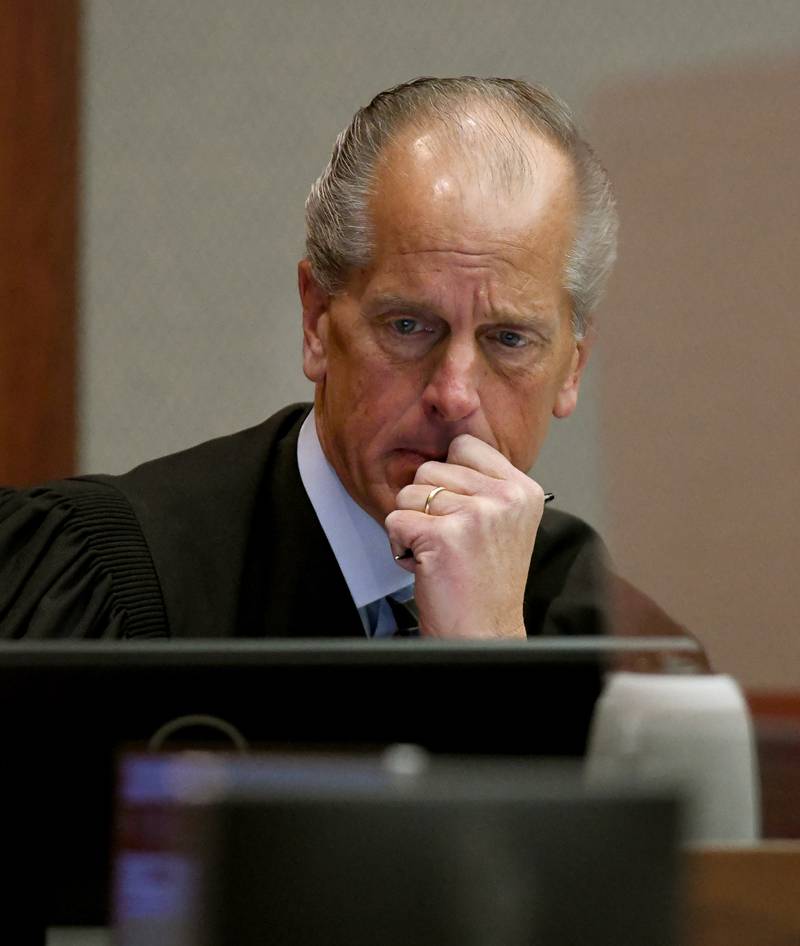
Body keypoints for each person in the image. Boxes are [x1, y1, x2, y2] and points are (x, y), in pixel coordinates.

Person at [0, 76, 691, 648]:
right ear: (316, 322)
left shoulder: (618, 648)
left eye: (508, 340)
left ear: (572, 368)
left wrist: (487, 660)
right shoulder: (102, 585)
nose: (454, 396)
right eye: (410, 325)